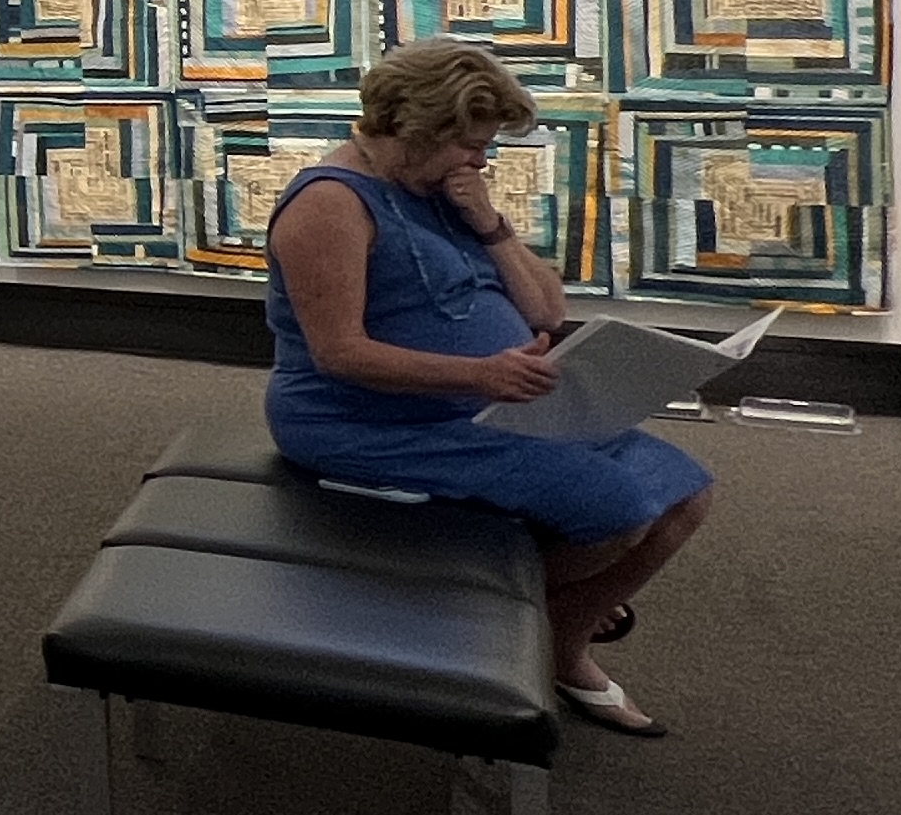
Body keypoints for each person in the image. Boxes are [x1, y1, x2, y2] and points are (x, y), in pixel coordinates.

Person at [263, 39, 711, 736]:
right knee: (618, 512)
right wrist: (480, 372)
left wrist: (490, 224)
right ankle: (475, 629)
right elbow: (339, 354)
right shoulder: (329, 204)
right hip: (369, 420)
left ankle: (560, 640)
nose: (480, 160)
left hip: (485, 401)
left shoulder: (440, 191)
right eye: (469, 145)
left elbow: (547, 312)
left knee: (687, 493)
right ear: (413, 129)